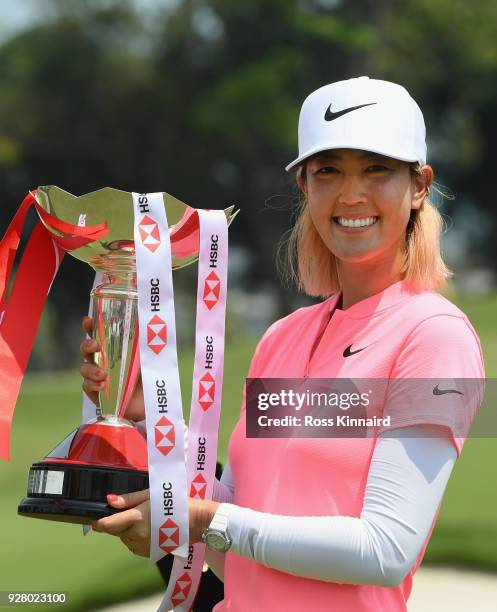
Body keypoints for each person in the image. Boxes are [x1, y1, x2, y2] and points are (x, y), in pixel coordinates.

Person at [81, 76, 485, 611]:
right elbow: (238, 551)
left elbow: (385, 550)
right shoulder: (283, 338)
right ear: (304, 186)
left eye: (376, 169)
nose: (351, 193)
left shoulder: (436, 336)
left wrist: (208, 519)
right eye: (328, 171)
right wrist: (143, 416)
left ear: (418, 186)